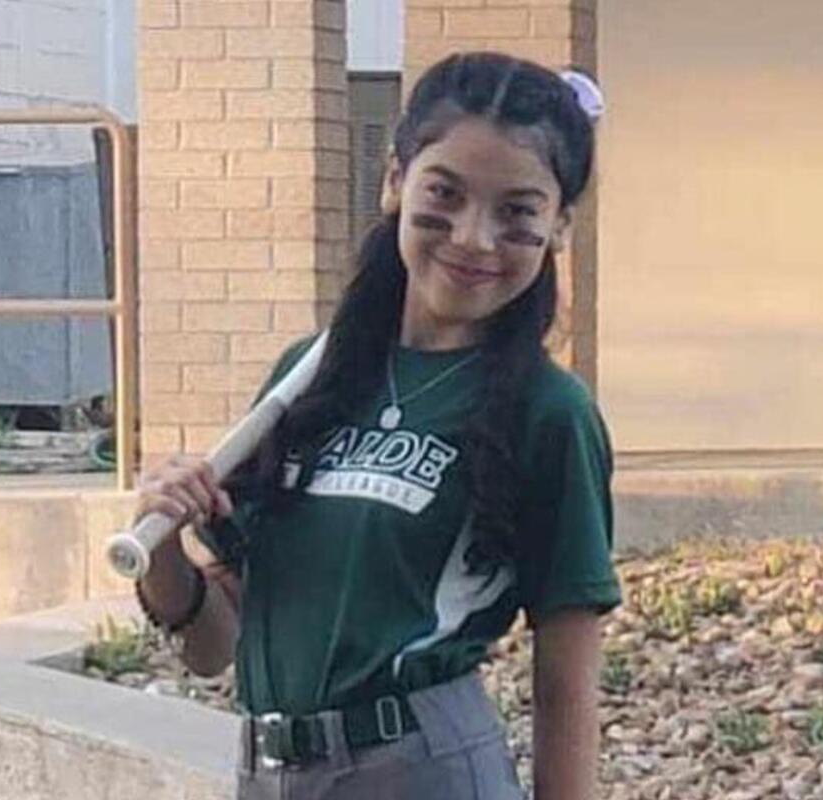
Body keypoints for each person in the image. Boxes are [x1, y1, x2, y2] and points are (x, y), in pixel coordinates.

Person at [134, 51, 622, 800]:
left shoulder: (549, 413)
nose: (473, 238)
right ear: (395, 181)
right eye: (445, 194)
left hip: (418, 771)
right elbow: (214, 647)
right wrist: (161, 544)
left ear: (558, 226)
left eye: (517, 213)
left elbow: (566, 678)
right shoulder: (311, 377)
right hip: (266, 772)